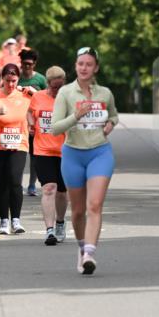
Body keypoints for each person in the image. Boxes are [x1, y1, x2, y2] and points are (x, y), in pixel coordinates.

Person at [50, 46, 119, 274]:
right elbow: (54, 128)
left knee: (95, 205)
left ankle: (90, 253)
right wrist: (75, 116)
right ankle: (81, 249)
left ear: (96, 68)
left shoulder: (105, 93)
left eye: (89, 64)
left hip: (100, 152)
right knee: (78, 211)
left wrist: (111, 123)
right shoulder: (66, 93)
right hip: (73, 154)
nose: (84, 68)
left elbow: (114, 115)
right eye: (80, 64)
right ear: (75, 66)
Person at [0, 63, 30, 235]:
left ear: (18, 79)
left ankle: (16, 220)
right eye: (8, 81)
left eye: (14, 81)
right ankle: (4, 221)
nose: (11, 85)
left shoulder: (25, 94)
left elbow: (46, 103)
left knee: (15, 180)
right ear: (2, 79)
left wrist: (34, 92)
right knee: (2, 183)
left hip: (19, 145)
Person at [27, 66, 67, 245]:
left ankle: (60, 222)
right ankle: (49, 231)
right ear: (48, 84)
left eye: (60, 86)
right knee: (48, 188)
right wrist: (31, 124)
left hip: (66, 151)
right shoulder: (38, 97)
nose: (57, 90)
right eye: (54, 87)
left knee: (61, 192)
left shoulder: (68, 99)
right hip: (43, 150)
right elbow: (29, 112)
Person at [17, 48, 47, 195]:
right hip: (18, 121)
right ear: (21, 64)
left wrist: (35, 93)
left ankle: (32, 185)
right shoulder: (16, 78)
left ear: (34, 64)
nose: (26, 66)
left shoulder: (40, 80)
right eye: (24, 64)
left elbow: (49, 98)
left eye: (29, 64)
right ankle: (17, 184)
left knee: (34, 155)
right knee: (19, 154)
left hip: (35, 121)